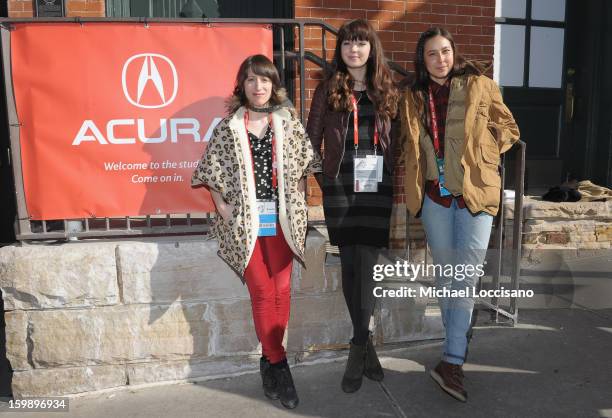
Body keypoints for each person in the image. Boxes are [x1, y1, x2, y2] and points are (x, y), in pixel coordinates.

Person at [192, 54, 321, 409]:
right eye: (251, 80)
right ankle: (280, 365)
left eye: (264, 79)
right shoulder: (229, 126)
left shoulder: (288, 121)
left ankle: (268, 362)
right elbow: (208, 168)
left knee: (281, 292)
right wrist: (220, 204)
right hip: (245, 224)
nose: (258, 86)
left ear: (274, 84)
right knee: (263, 292)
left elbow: (304, 162)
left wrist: (296, 197)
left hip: (281, 221)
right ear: (241, 85)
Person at [400, 27, 520, 402]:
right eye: (433, 54)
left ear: (455, 53)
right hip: (435, 198)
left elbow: (509, 129)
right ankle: (454, 346)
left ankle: (451, 360)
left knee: (463, 278)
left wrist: (482, 157)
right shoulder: (413, 96)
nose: (441, 59)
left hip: (474, 196)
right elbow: (411, 143)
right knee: (448, 278)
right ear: (423, 59)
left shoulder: (479, 85)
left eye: (446, 51)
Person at [306, 19, 399, 393]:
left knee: (367, 264)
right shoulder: (329, 88)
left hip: (377, 185)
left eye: (361, 43)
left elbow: (401, 140)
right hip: (341, 184)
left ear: (371, 48)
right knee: (349, 263)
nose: (354, 49)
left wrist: (392, 172)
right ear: (340, 50)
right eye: (347, 44)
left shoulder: (388, 90)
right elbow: (309, 138)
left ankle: (358, 345)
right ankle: (365, 345)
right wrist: (324, 180)